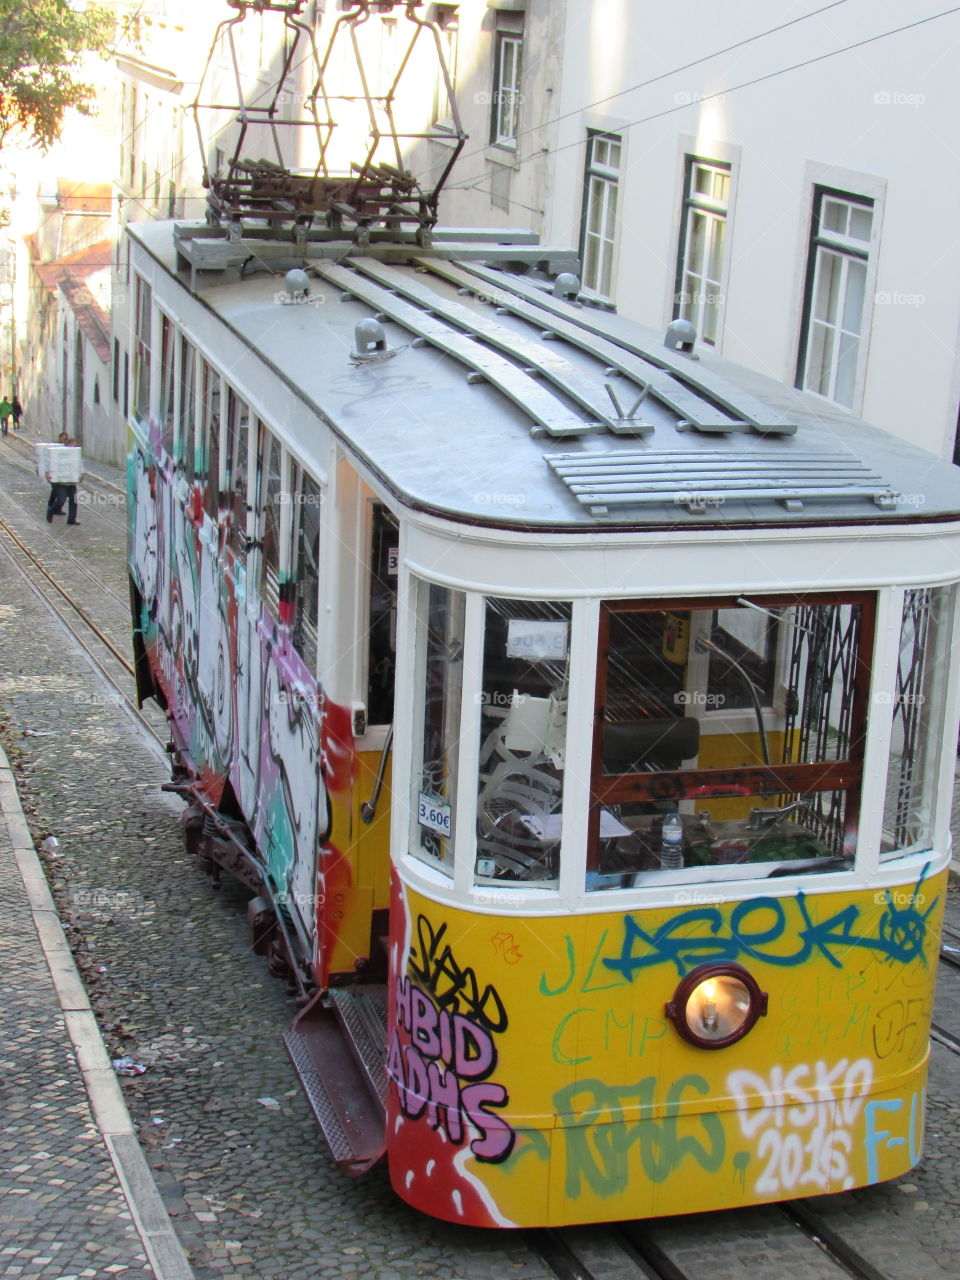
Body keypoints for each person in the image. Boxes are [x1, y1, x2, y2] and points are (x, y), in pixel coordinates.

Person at [45, 432, 71, 522]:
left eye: (66, 439)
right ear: (59, 437)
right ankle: (52, 507)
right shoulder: (54, 447)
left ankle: (54, 507)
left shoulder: (67, 449)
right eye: (64, 438)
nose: (65, 440)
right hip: (54, 475)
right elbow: (48, 460)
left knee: (56, 492)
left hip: (63, 477)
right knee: (56, 492)